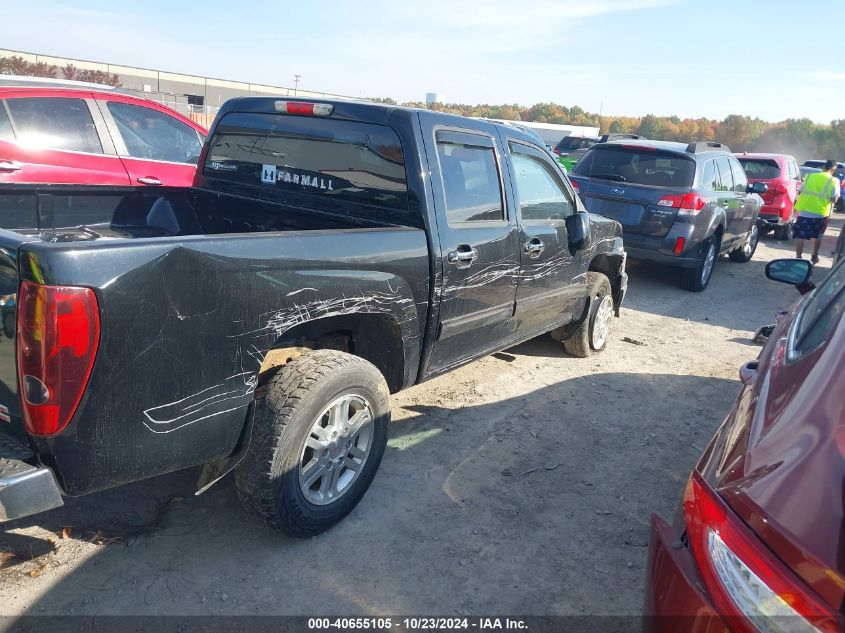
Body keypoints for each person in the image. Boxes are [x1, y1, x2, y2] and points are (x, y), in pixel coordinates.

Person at [793, 159, 840, 264]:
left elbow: (800, 191)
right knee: (818, 235)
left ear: (824, 167)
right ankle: (814, 256)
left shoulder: (810, 177)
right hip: (820, 213)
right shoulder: (834, 180)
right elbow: (834, 199)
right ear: (834, 169)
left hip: (804, 210)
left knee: (801, 235)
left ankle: (798, 257)